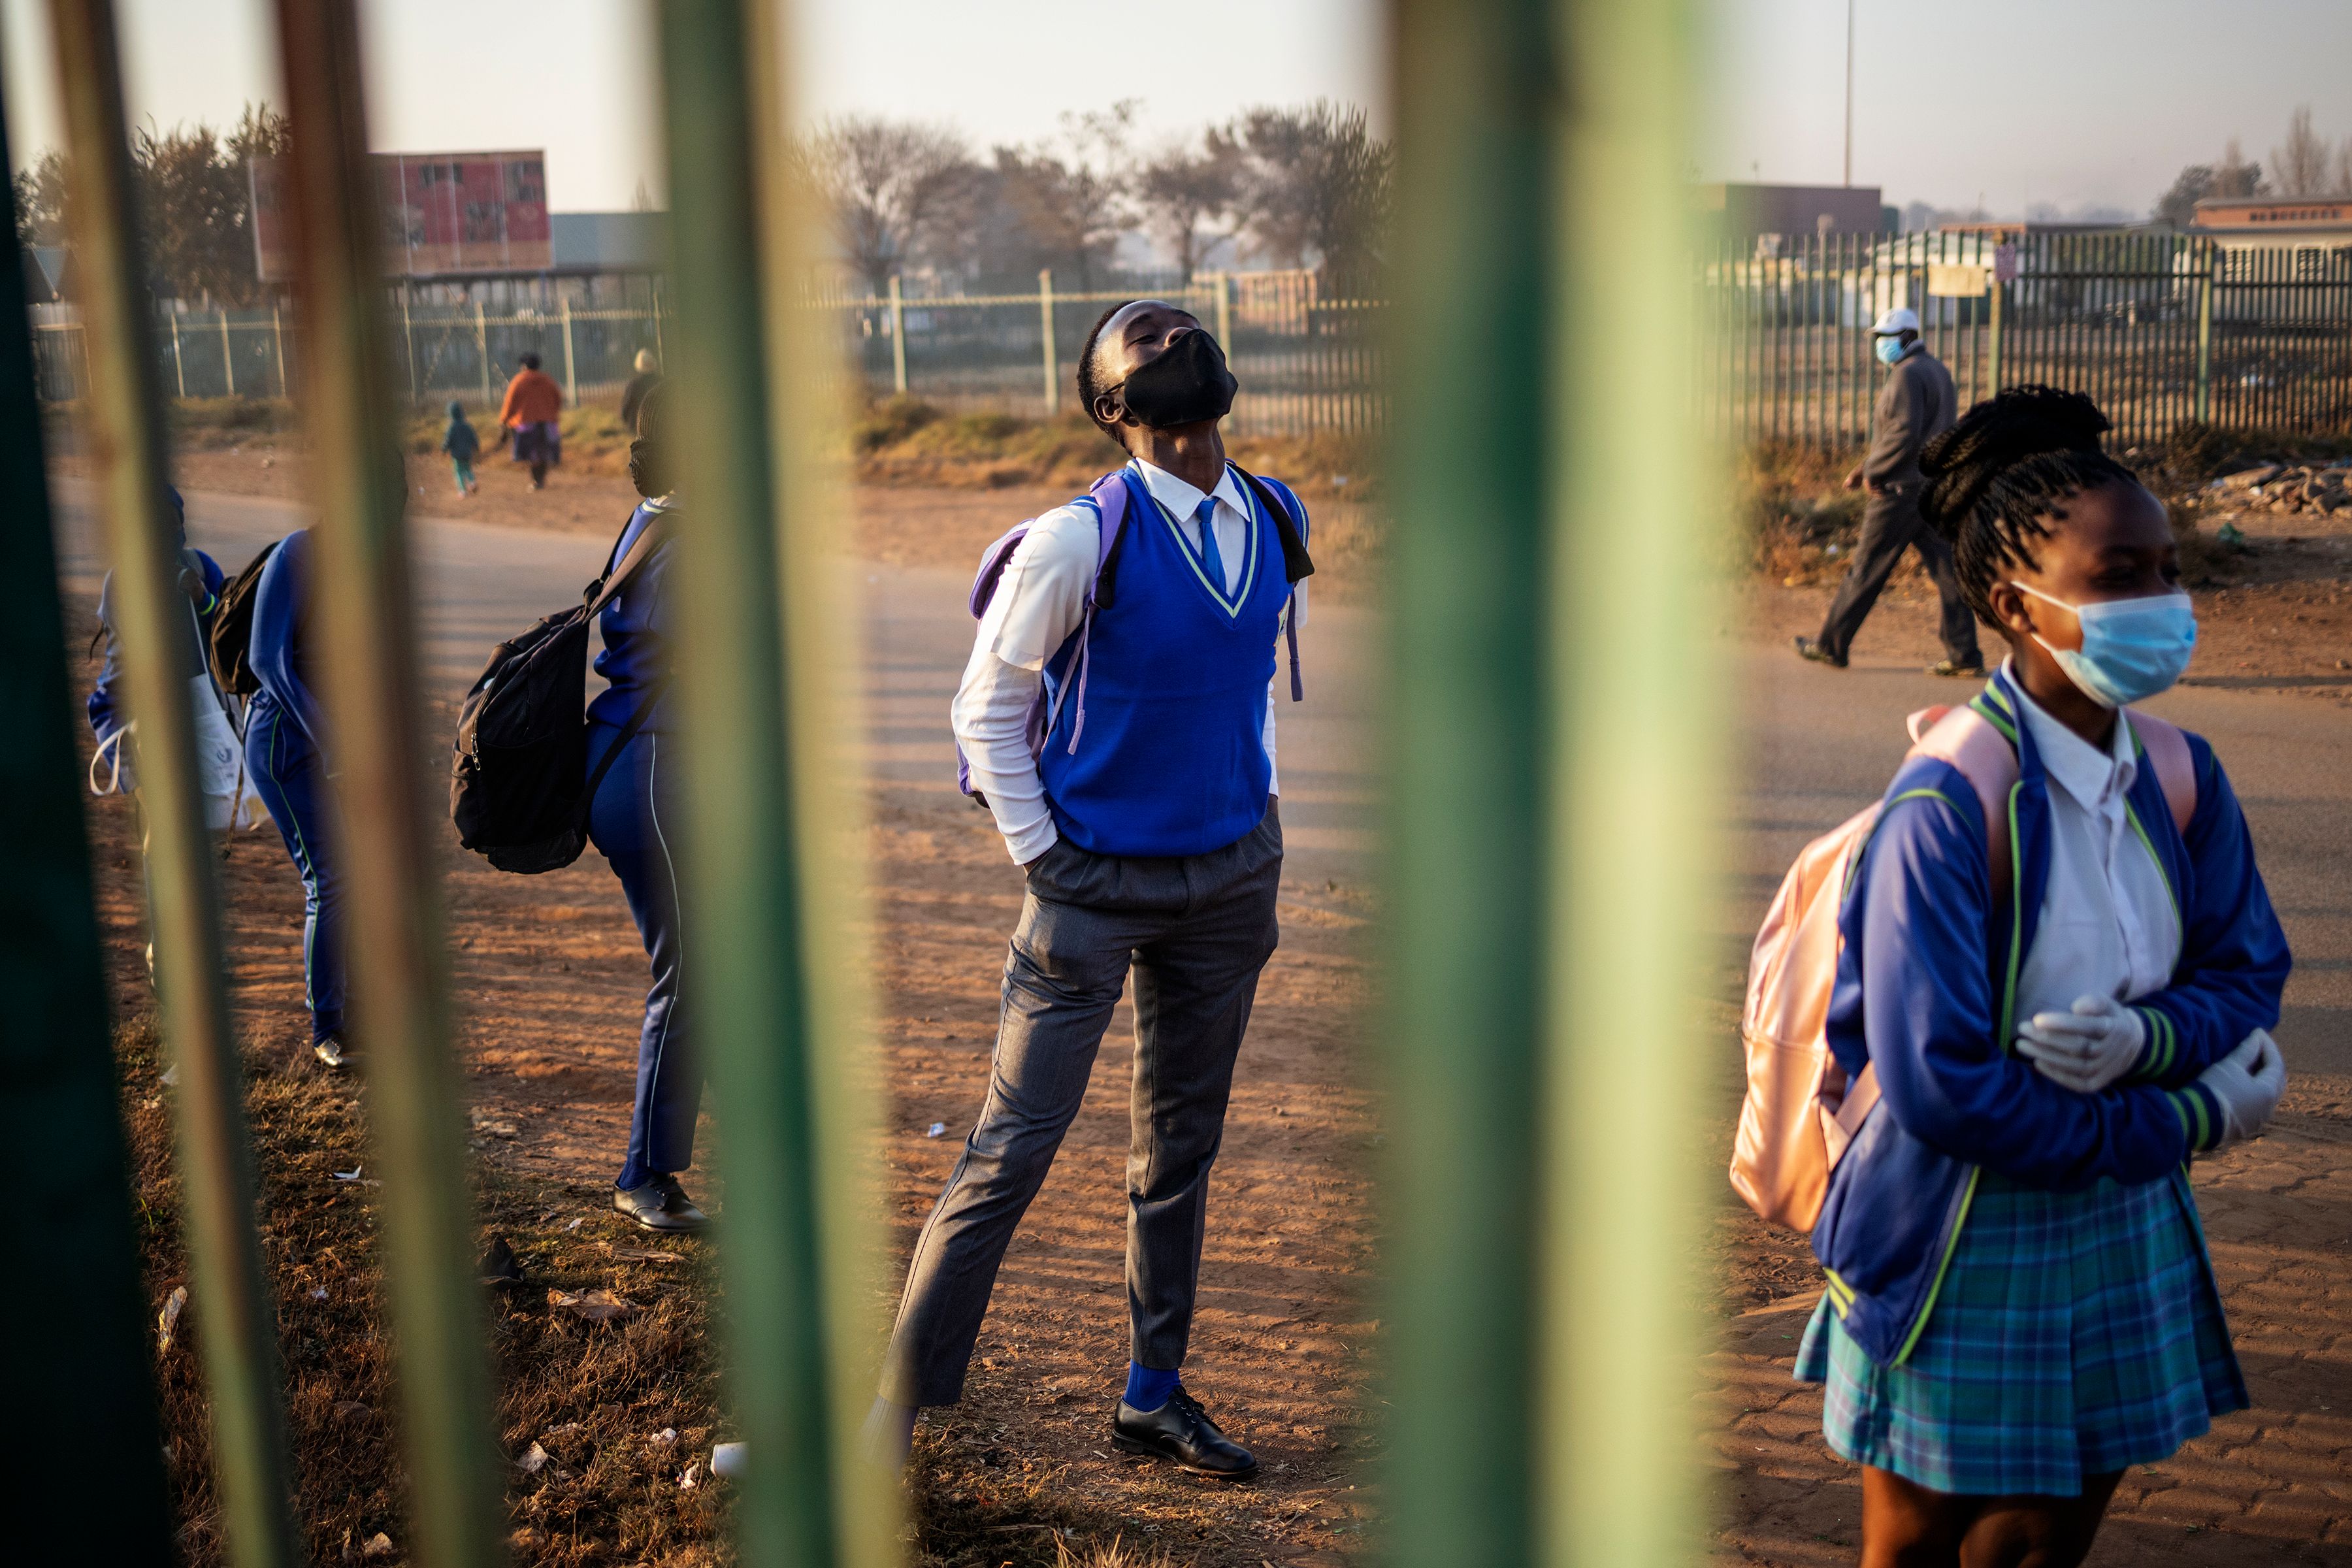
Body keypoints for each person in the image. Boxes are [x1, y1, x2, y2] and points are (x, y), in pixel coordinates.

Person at [1796, 386, 2291, 1567]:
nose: (2165, 604)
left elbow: (2248, 966)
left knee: (2043, 1541)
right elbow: (1941, 1087)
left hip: (2120, 1218)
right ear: (2016, 604)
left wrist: (2150, 1046)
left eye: (2168, 570)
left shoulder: (2181, 773)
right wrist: (2182, 1113)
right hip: (1959, 1223)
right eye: (2123, 576)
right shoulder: (1948, 804)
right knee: (1917, 1546)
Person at [868, 298, 1309, 1480]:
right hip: (1089, 890)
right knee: (1009, 1150)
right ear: (1112, 408)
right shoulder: (1075, 542)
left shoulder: (1275, 513)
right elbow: (986, 711)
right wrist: (1047, 857)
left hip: (1228, 884)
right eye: (1145, 344)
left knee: (1179, 1151)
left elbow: (1251, 676)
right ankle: (891, 1425)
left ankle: (1152, 1398)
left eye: (1187, 337)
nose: (1174, 346)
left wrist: (1254, 814)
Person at [585, 385, 707, 1233]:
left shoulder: (656, 517)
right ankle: (643, 1177)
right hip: (655, 771)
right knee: (689, 971)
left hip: (635, 764)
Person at [1796, 306, 1984, 677]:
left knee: (1866, 569)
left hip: (1899, 492)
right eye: (1879, 338)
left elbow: (1903, 434)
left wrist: (1872, 471)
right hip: (1933, 490)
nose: (1880, 345)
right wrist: (1868, 466)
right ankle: (1964, 655)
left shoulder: (1907, 376)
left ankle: (1831, 646)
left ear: (1908, 337)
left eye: (1886, 337)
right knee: (1949, 574)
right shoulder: (1938, 371)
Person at [242, 529, 350, 1068]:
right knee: (331, 879)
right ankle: (328, 1030)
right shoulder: (299, 552)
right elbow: (267, 659)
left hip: (337, 742)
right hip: (285, 740)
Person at [499, 351, 564, 490]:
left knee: (532, 454)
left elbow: (509, 403)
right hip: (547, 422)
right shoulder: (548, 380)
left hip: (526, 424)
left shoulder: (518, 381)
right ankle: (540, 479)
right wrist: (552, 413)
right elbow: (558, 399)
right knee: (544, 453)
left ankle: (536, 480)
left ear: (523, 366)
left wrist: (504, 421)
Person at [440, 400, 481, 496]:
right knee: (468, 469)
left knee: (458, 472)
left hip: (457, 455)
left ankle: (462, 491)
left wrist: (444, 449)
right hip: (467, 453)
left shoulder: (451, 428)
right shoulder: (467, 426)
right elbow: (473, 438)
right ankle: (472, 482)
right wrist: (476, 447)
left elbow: (448, 440)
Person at [618, 348, 661, 435]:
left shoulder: (634, 385)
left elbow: (626, 408)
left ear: (638, 365)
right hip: (660, 429)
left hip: (639, 430)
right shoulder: (662, 382)